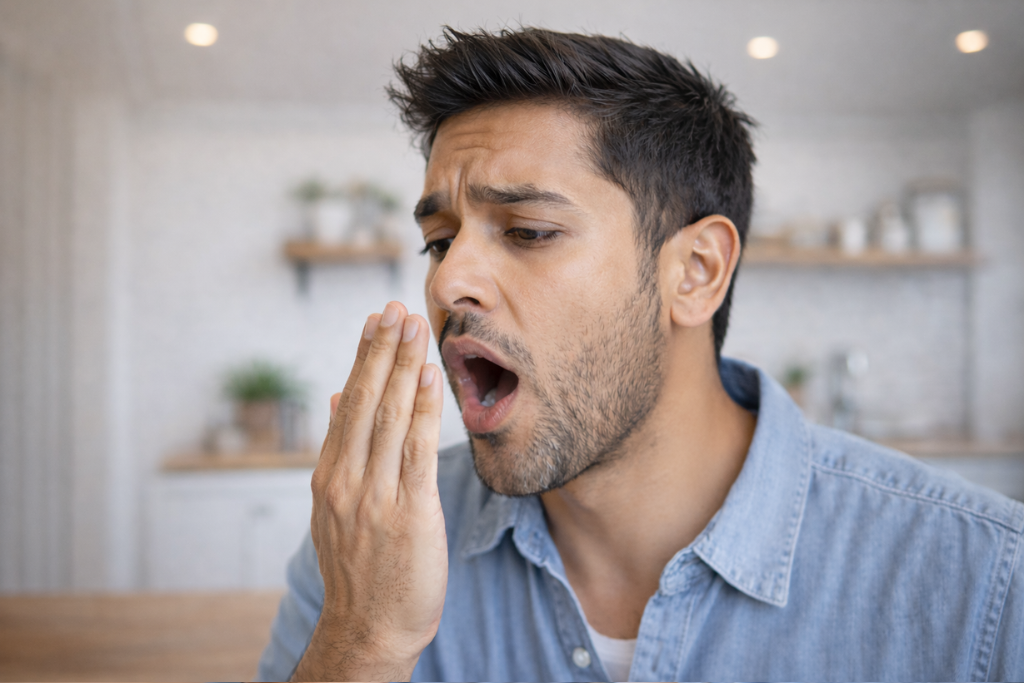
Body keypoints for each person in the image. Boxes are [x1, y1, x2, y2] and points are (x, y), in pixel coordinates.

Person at [257, 27, 1024, 682]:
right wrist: (363, 644)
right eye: (438, 240)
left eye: (527, 231)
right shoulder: (368, 544)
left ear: (695, 273)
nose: (449, 279)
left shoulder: (984, 583)